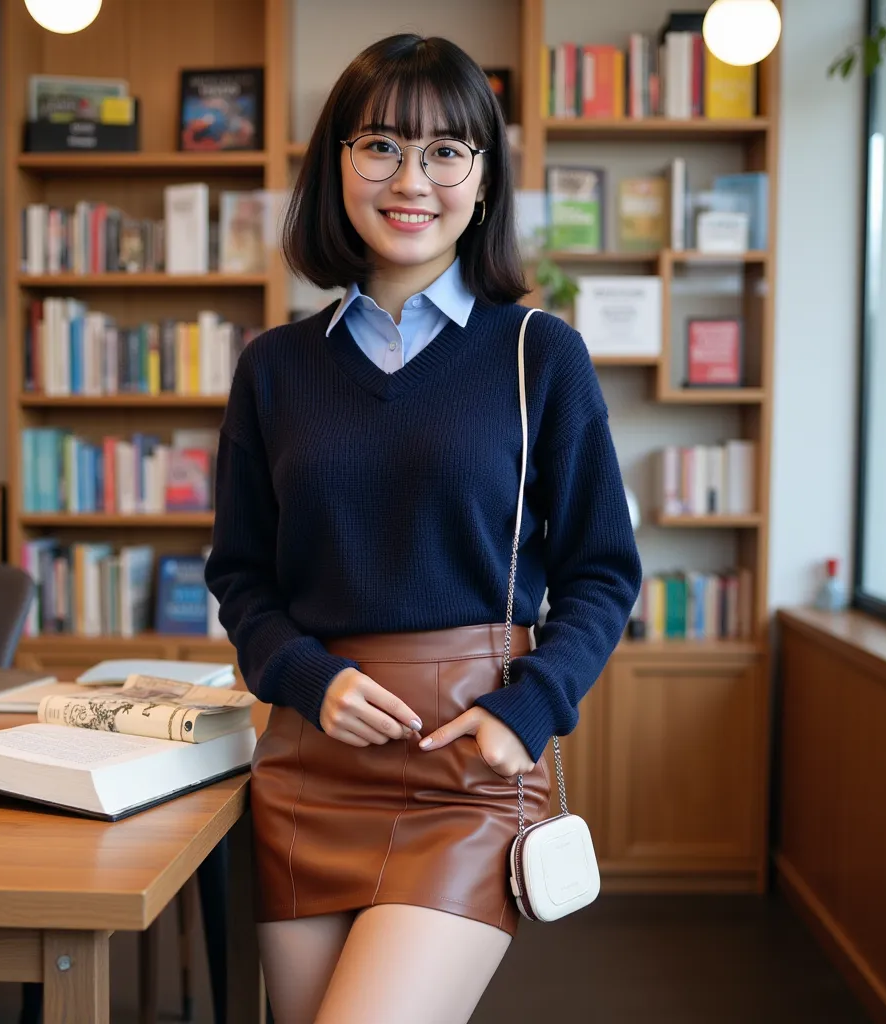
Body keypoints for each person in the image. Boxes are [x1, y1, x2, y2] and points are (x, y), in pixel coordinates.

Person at [205, 33, 642, 1024]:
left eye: (448, 151)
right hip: (310, 764)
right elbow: (242, 578)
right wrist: (307, 676)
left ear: (484, 182)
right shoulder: (273, 367)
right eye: (381, 145)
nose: (413, 178)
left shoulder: (541, 353)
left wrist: (527, 711)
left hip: (471, 768)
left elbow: (603, 573)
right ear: (337, 166)